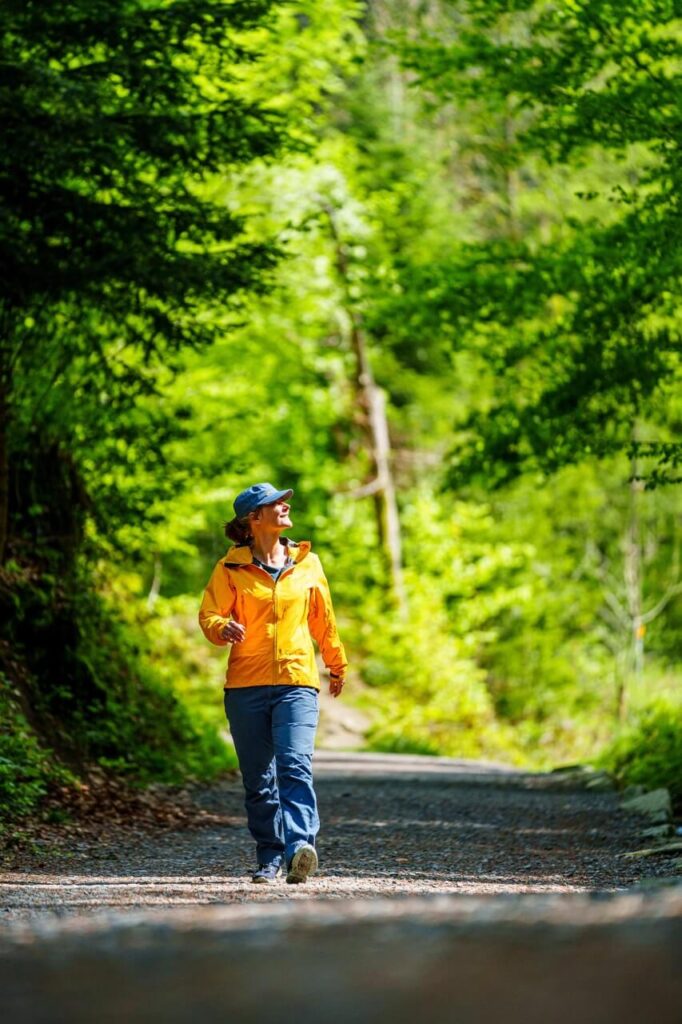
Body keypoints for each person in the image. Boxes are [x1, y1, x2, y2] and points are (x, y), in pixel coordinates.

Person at [198, 481, 348, 885]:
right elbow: (209, 614)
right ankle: (269, 856)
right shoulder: (229, 568)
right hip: (245, 686)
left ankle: (300, 847)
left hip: (296, 681)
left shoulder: (307, 564)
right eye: (274, 503)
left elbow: (323, 618)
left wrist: (336, 663)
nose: (284, 506)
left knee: (294, 765)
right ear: (254, 518)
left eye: (283, 501)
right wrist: (221, 627)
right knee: (259, 780)